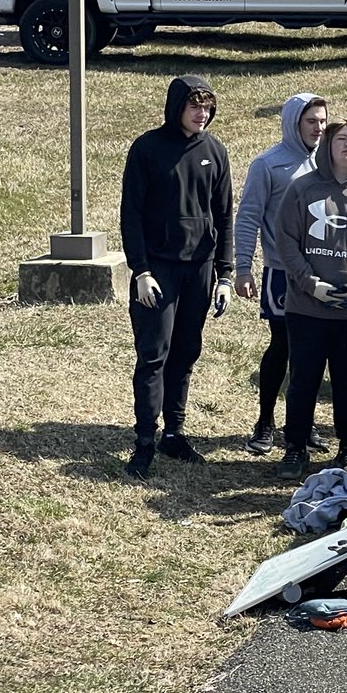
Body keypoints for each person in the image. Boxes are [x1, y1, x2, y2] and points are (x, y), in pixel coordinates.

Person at [120, 75, 234, 480]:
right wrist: (141, 270)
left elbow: (224, 216)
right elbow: (130, 215)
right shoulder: (147, 149)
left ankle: (175, 433)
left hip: (199, 269)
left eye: (207, 107)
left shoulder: (215, 151)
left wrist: (224, 274)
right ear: (176, 107)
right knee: (154, 355)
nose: (202, 114)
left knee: (186, 351)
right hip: (159, 269)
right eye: (194, 106)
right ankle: (145, 441)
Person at [274, 119, 347, 481]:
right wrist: (311, 284)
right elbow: (286, 242)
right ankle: (295, 447)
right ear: (328, 144)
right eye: (342, 139)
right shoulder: (301, 189)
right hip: (306, 308)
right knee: (304, 379)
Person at [233, 93, 329, 457]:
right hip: (282, 274)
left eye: (322, 121)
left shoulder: (330, 161)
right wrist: (243, 267)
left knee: (315, 349)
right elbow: (248, 217)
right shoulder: (268, 165)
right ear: (293, 122)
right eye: (311, 122)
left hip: (323, 272)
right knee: (283, 346)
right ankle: (265, 422)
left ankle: (302, 424)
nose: (318, 129)